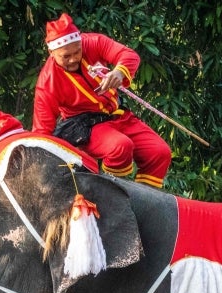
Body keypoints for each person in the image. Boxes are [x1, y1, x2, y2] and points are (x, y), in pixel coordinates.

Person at [32, 13, 172, 188]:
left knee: (160, 152)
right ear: (51, 52)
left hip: (118, 116)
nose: (74, 59)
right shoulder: (47, 82)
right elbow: (42, 130)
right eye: (66, 56)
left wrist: (119, 72)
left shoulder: (93, 42)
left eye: (77, 52)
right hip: (87, 126)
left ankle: (145, 198)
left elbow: (128, 55)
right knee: (120, 146)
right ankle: (110, 193)